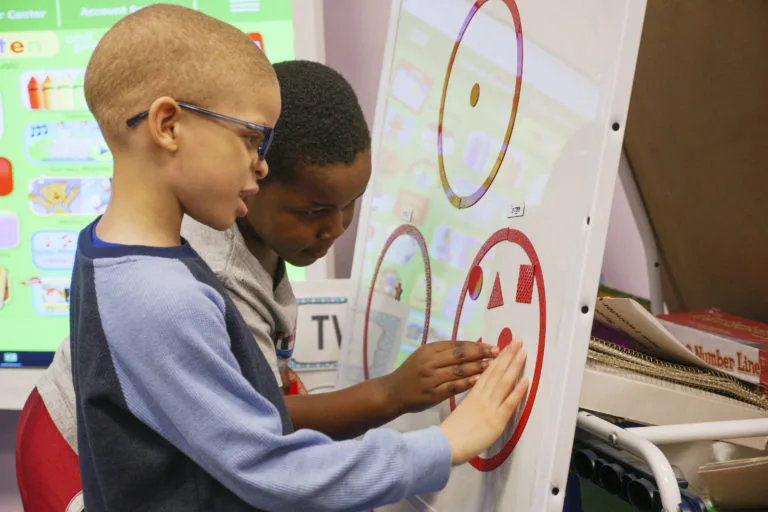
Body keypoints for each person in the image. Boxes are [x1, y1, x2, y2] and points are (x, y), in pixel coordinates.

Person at [18, 5, 529, 511]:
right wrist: (445, 444)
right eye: (251, 140)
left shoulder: (112, 248)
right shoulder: (168, 297)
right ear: (168, 126)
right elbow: (270, 469)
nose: (260, 166)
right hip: (67, 458)